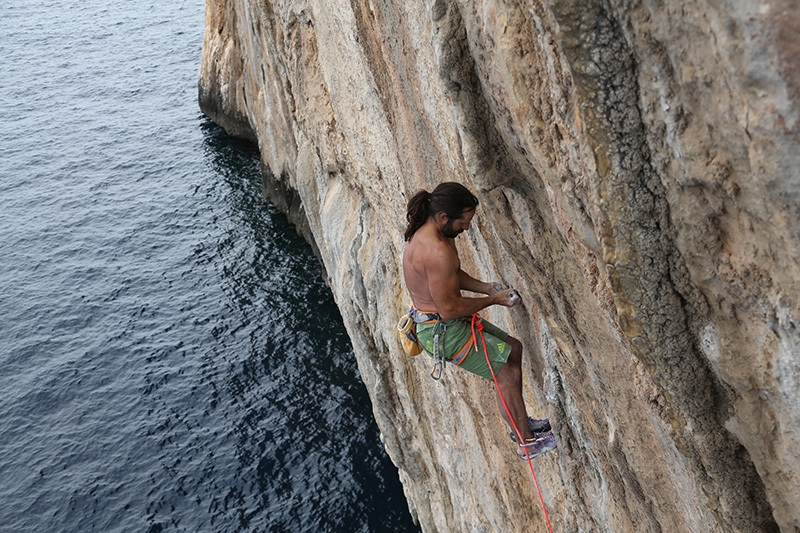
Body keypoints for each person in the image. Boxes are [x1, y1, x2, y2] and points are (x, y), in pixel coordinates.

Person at [402, 182, 556, 459]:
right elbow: (449, 308)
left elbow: (450, 276)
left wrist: (485, 287)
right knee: (506, 373)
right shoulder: (435, 251)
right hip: (443, 330)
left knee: (514, 349)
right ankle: (527, 443)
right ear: (444, 218)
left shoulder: (434, 234)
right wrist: (494, 300)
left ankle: (518, 423)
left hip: (441, 322)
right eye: (465, 222)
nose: (467, 228)